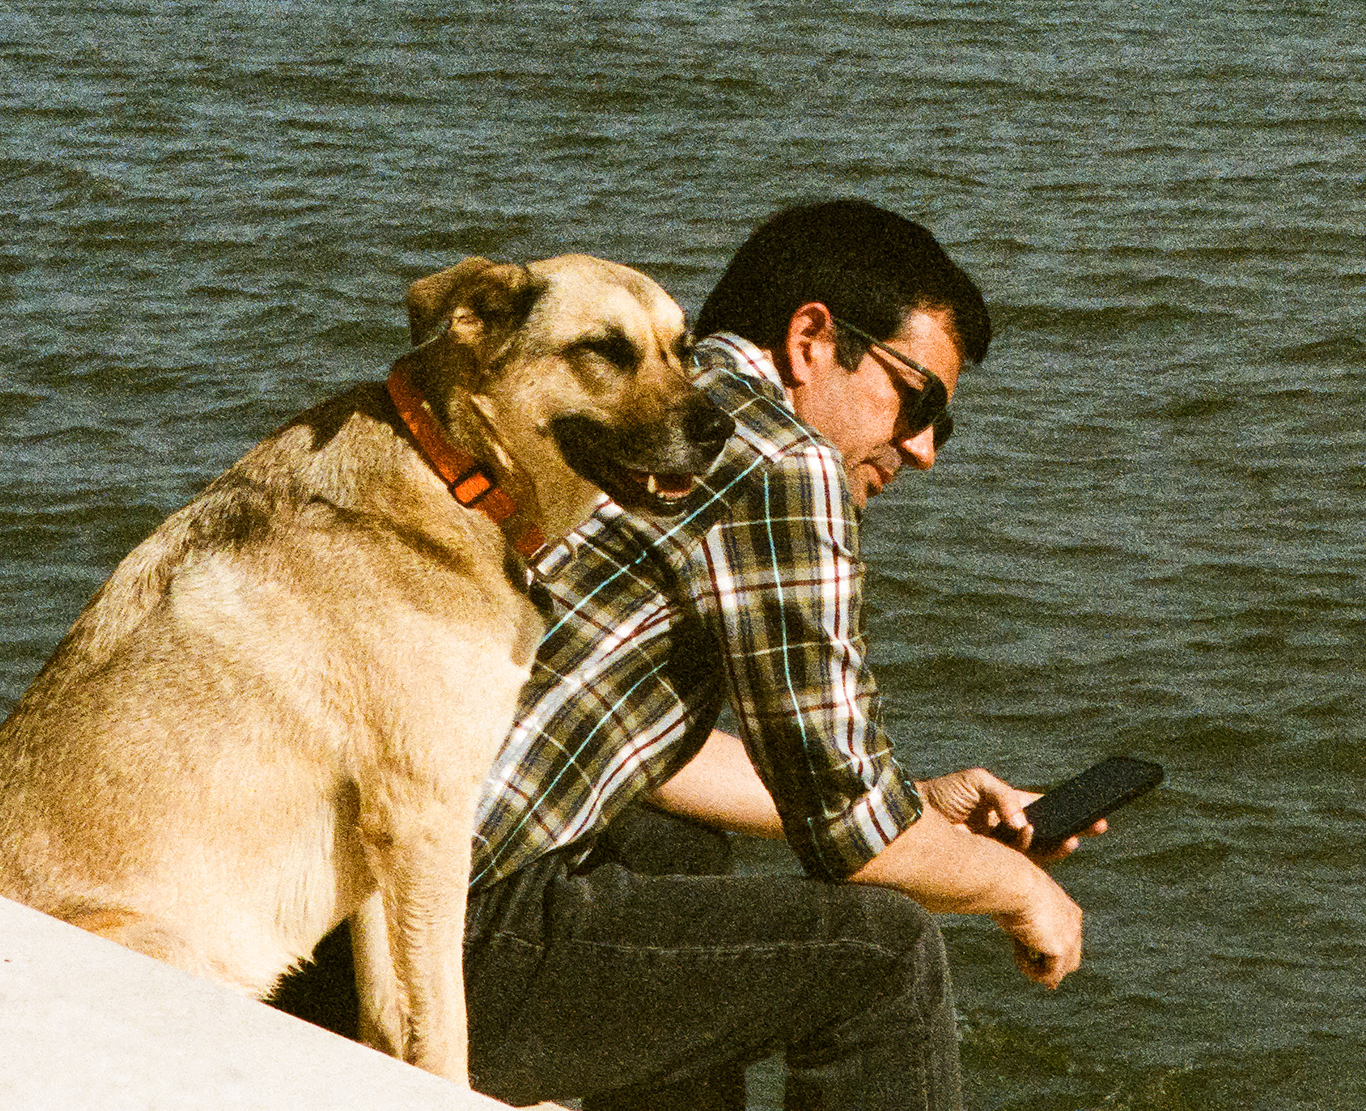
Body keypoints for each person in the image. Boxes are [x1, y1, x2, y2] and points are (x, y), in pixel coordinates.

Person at [273, 197, 1097, 1110]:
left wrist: (925, 812)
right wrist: (1018, 887)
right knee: (883, 958)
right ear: (814, 338)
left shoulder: (632, 422)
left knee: (667, 836)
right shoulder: (784, 460)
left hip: (322, 917)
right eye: (919, 398)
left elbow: (625, 743)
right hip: (421, 956)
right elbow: (852, 837)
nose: (927, 448)